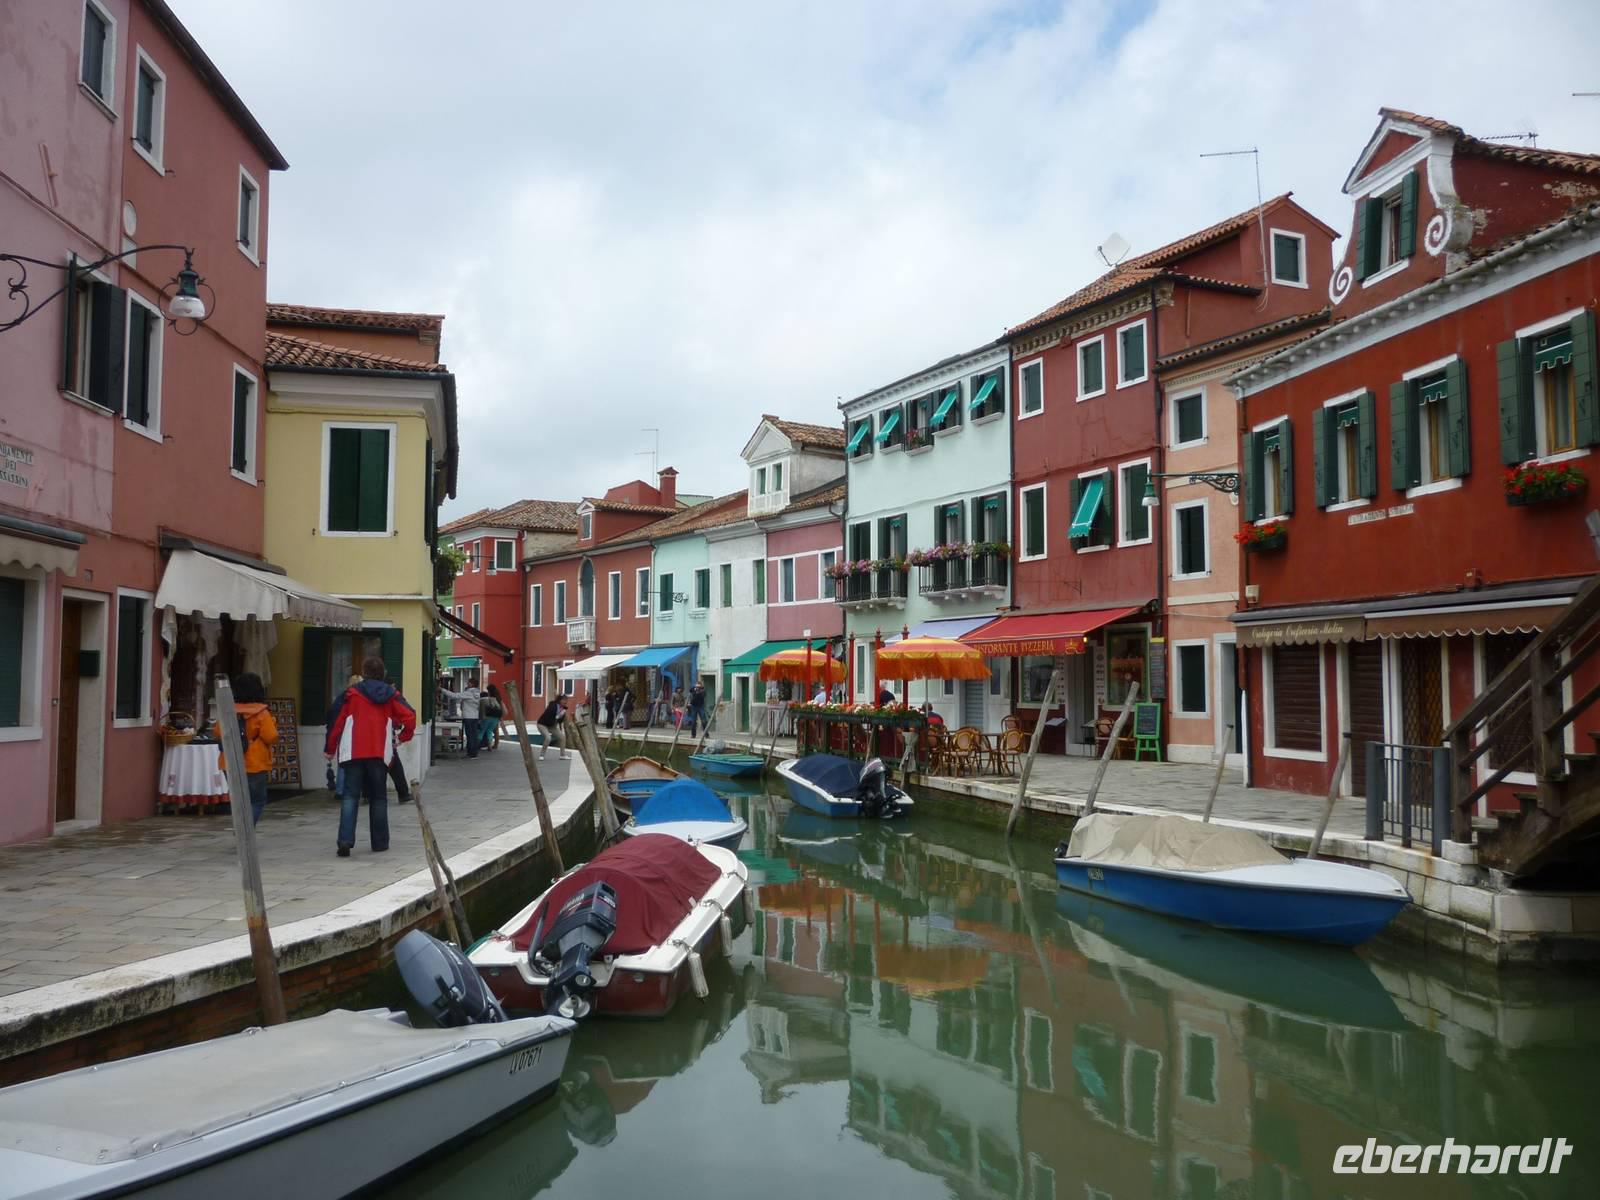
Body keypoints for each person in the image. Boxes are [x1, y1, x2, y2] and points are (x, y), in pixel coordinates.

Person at [326, 656, 416, 856]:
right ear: (382, 673)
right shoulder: (391, 695)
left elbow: (337, 722)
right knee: (378, 797)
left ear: (364, 673)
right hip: (379, 752)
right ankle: (380, 843)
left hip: (353, 752)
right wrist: (403, 737)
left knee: (350, 796)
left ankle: (345, 840)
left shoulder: (351, 694)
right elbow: (410, 715)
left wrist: (330, 747)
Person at [215, 673, 278, 824]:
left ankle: (241, 829)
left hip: (230, 762)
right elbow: (271, 736)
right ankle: (246, 831)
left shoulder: (228, 710)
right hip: (255, 763)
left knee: (238, 800)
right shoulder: (262, 713)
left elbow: (218, 732)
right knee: (257, 800)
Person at [439, 678, 483, 757]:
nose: (467, 684)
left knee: (469, 735)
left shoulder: (469, 693)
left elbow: (454, 696)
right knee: (474, 735)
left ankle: (471, 753)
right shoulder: (478, 693)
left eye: (468, 683)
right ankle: (474, 752)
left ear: (472, 684)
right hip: (475, 716)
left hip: (468, 716)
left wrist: (442, 690)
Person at [537, 695, 570, 760]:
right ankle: (541, 755)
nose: (565, 701)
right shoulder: (552, 706)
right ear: (560, 700)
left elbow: (560, 721)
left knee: (562, 737)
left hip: (552, 726)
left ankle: (562, 755)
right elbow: (547, 717)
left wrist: (561, 716)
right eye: (564, 700)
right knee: (548, 738)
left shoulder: (563, 709)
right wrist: (556, 718)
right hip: (542, 724)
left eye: (566, 700)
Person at [480, 684, 504, 752]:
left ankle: (491, 745)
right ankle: (495, 744)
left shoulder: (491, 697)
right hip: (497, 715)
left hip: (490, 715)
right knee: (494, 731)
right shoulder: (498, 696)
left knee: (486, 730)